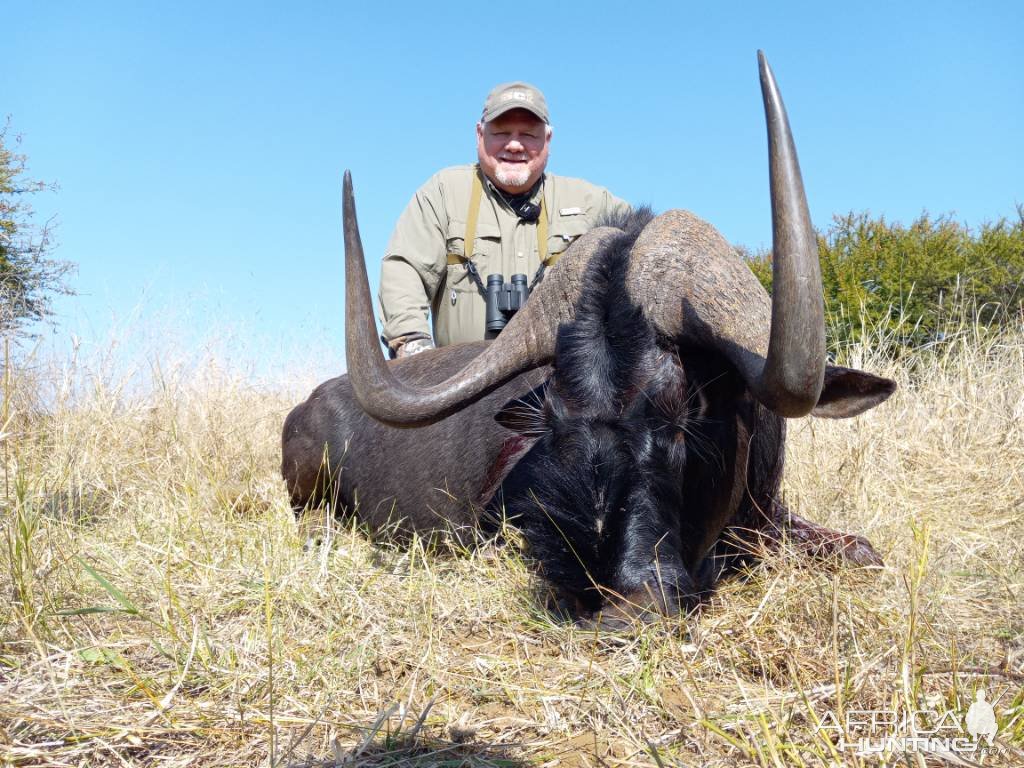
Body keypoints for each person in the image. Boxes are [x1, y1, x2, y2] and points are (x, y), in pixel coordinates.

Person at [378, 81, 630, 357]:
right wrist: (414, 346)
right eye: (501, 132)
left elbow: (648, 243)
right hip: (462, 385)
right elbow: (405, 270)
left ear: (548, 140)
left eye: (528, 135)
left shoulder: (591, 202)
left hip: (562, 387)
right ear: (478, 134)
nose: (514, 145)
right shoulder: (443, 192)